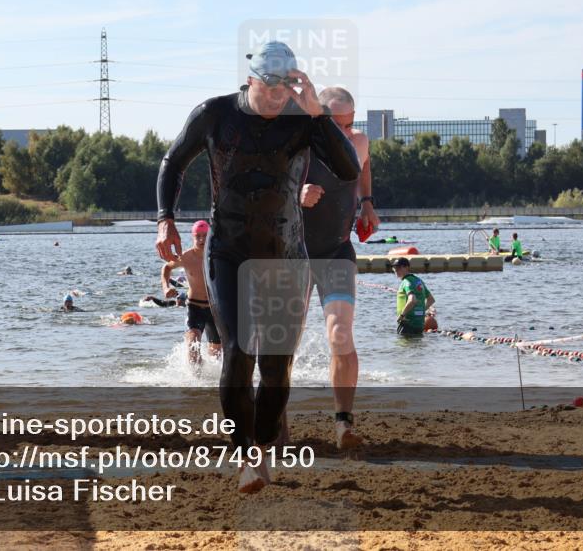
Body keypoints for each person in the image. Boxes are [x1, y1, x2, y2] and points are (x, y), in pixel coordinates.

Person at [155, 41, 360, 494]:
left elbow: (348, 169)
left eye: (286, 90)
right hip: (229, 251)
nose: (276, 98)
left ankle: (264, 445)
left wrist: (317, 115)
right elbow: (173, 162)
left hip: (286, 253)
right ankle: (246, 455)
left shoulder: (304, 122)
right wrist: (165, 218)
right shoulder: (216, 114)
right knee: (238, 350)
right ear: (251, 80)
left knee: (276, 367)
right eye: (269, 88)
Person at [300, 86, 379, 450]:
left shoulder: (358, 142)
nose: (346, 134)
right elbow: (265, 187)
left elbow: (364, 164)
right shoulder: (299, 145)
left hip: (336, 251)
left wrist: (367, 202)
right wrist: (296, 193)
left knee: (340, 333)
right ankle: (276, 421)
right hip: (295, 254)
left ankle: (343, 424)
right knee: (282, 343)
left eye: (350, 124)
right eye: (338, 126)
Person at [161, 220, 219, 364]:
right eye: (198, 236)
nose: (201, 240)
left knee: (216, 356)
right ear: (193, 237)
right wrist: (166, 288)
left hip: (215, 309)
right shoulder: (186, 257)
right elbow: (166, 268)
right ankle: (194, 377)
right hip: (194, 307)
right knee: (193, 347)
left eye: (205, 236)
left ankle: (210, 378)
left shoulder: (218, 256)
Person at [390, 258, 434, 337]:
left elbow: (412, 300)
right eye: (394, 268)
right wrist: (421, 311)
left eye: (398, 267)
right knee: (416, 343)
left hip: (407, 323)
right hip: (419, 324)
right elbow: (431, 300)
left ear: (406, 267)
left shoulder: (406, 282)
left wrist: (402, 315)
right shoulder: (419, 281)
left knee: (403, 344)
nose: (396, 270)